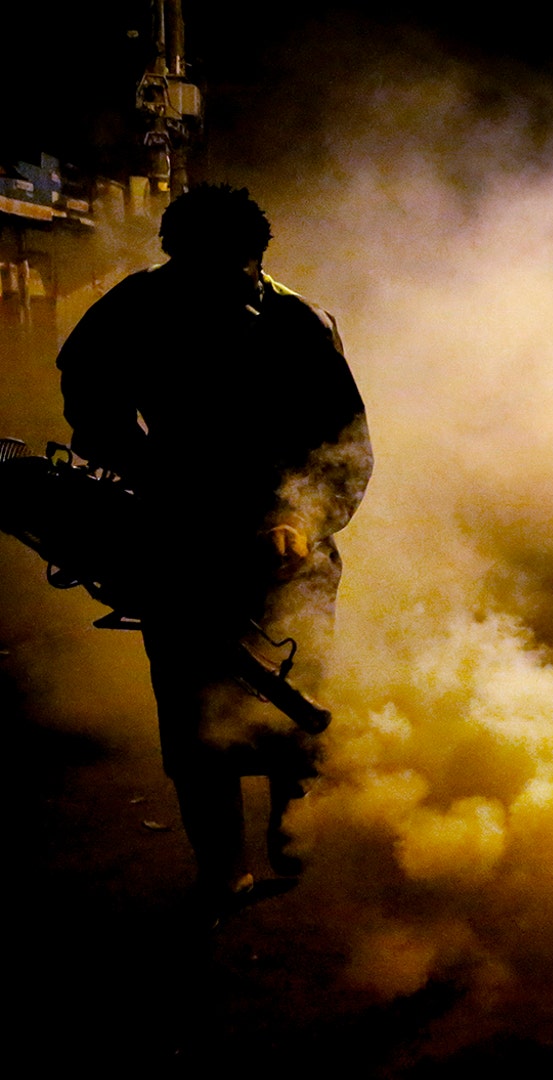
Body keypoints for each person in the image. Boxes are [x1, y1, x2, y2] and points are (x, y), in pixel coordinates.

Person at [56, 184, 372, 912]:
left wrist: (303, 514)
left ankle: (292, 815)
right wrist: (144, 469)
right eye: (203, 270)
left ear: (259, 259)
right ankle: (221, 864)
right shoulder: (135, 308)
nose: (226, 288)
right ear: (173, 258)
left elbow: (346, 443)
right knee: (196, 716)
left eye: (240, 271)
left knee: (296, 693)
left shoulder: (298, 322)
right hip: (177, 536)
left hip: (289, 543)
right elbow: (89, 399)